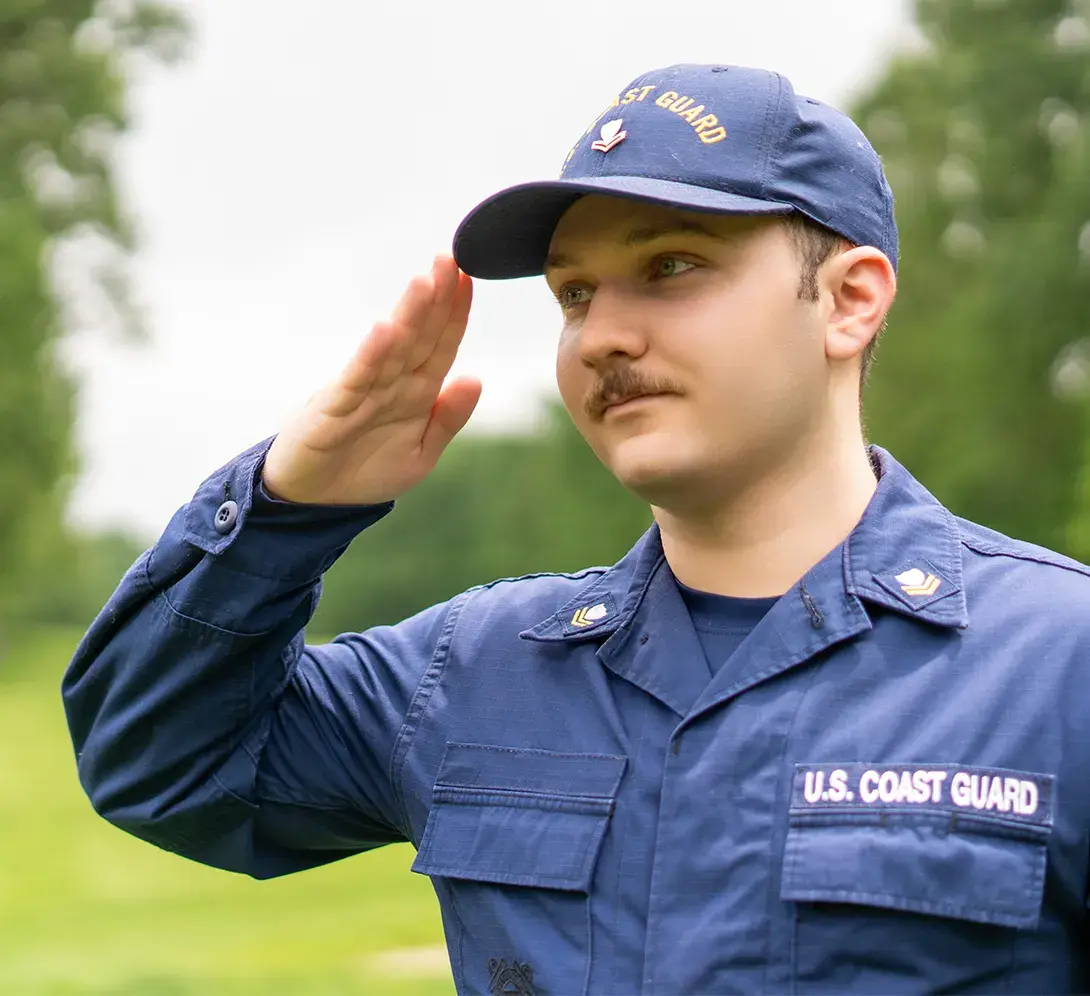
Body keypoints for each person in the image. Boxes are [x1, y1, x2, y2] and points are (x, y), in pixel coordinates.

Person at [62, 63, 1090, 995]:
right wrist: (288, 509)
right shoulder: (473, 672)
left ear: (847, 301)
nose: (602, 335)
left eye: (672, 267)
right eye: (573, 293)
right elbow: (162, 760)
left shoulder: (1055, 663)